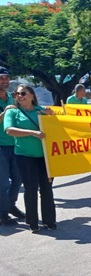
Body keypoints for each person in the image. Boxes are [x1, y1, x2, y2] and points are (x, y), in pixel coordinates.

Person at [4, 85, 56, 233]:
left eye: (23, 93)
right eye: (17, 94)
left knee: (47, 189)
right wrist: (32, 132)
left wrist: (52, 116)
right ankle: (32, 222)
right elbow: (9, 130)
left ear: (32, 95)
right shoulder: (12, 112)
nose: (19, 96)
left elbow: (57, 128)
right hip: (24, 157)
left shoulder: (42, 110)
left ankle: (49, 221)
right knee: (30, 189)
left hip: (45, 157)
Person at [0, 66, 25, 226]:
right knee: (3, 183)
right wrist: (4, 113)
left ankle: (10, 206)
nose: (5, 81)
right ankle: (3, 213)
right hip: (0, 146)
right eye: (1, 78)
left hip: (15, 145)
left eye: (6, 78)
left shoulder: (13, 97)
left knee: (18, 178)